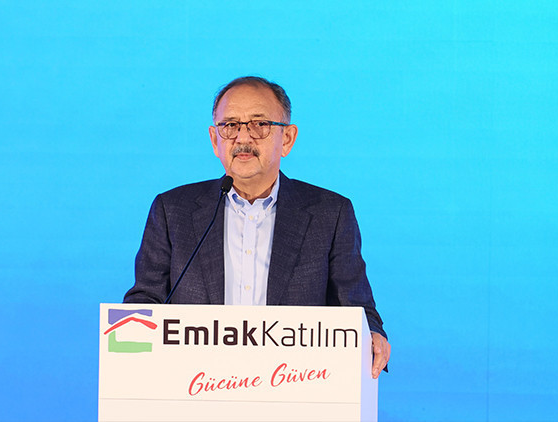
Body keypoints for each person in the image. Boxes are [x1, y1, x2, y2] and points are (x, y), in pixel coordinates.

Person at [124, 76, 390, 378]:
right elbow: (145, 303)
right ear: (214, 139)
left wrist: (371, 333)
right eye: (230, 125)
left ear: (287, 138)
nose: (243, 137)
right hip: (195, 385)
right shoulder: (173, 211)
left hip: (292, 385)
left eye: (259, 124)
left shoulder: (329, 214)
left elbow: (355, 309)